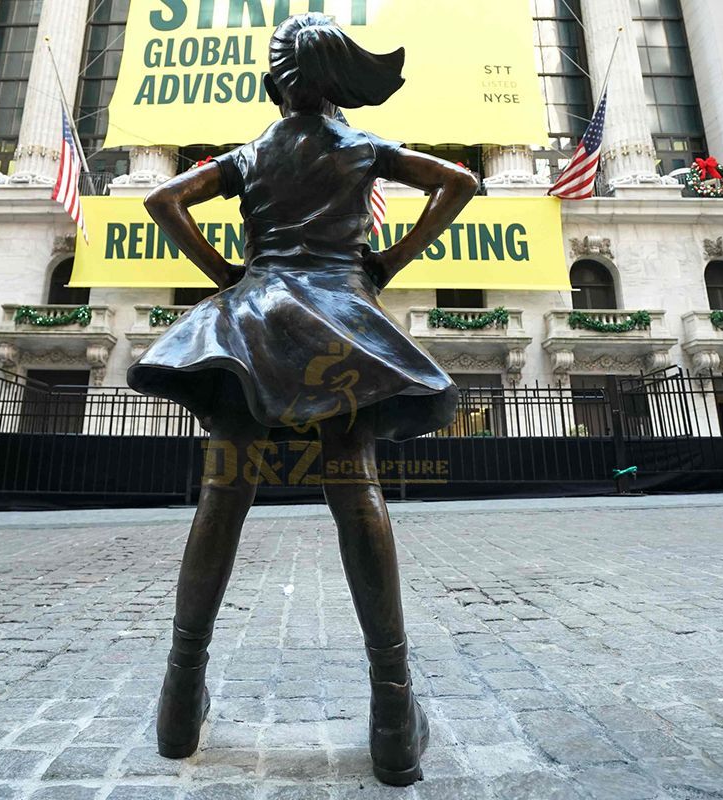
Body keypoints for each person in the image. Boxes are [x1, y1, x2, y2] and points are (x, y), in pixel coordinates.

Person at [127, 13, 477, 787]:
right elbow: (460, 182)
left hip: (248, 324)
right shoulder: (359, 146)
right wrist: (387, 259)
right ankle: (393, 714)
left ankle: (179, 702)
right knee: (355, 495)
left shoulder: (253, 153)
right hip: (337, 325)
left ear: (278, 81)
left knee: (223, 497)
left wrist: (226, 275)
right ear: (336, 82)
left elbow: (163, 201)